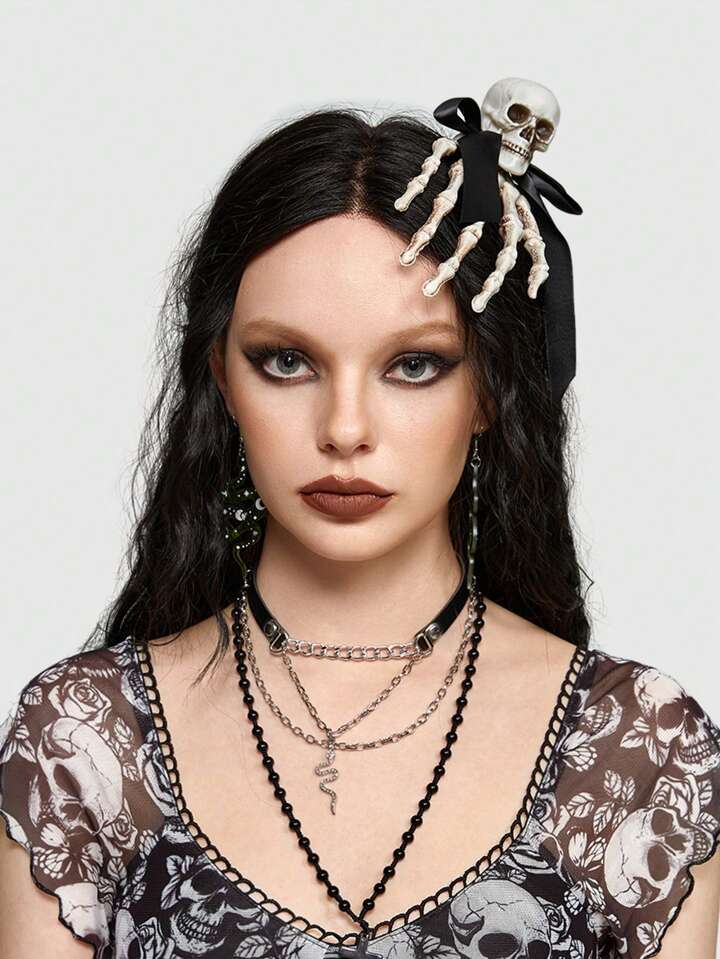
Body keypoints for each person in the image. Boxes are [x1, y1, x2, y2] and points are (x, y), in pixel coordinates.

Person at [1, 86, 719, 959]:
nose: (345, 429)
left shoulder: (639, 749)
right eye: (287, 360)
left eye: (413, 365)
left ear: (489, 390)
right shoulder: (84, 739)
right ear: (222, 378)